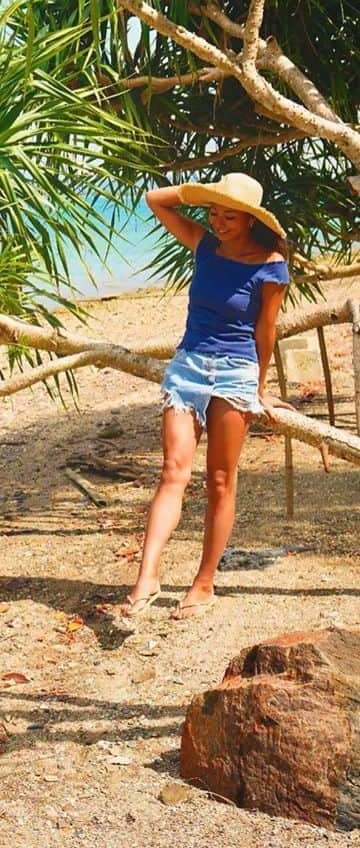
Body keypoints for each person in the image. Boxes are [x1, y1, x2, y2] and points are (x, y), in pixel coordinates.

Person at [122, 172, 291, 621]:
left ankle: (204, 581)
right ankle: (146, 578)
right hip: (188, 368)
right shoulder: (203, 245)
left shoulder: (270, 264)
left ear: (251, 219)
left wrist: (260, 391)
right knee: (172, 471)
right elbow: (155, 200)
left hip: (235, 374)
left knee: (220, 481)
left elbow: (265, 331)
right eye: (214, 212)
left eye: (229, 216)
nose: (218, 222)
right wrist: (200, 192)